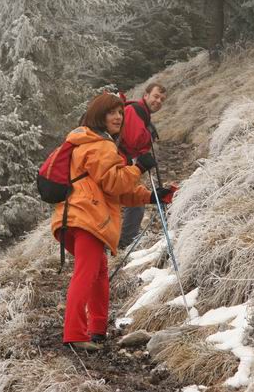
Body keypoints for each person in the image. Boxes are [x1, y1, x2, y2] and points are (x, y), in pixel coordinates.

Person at [51, 93, 172, 351]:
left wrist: (151, 196)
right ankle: (75, 333)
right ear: (99, 115)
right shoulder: (100, 144)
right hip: (87, 217)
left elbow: (114, 189)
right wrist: (139, 168)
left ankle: (97, 329)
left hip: (75, 216)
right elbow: (115, 182)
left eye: (120, 112)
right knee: (87, 274)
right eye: (111, 113)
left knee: (97, 273)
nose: (118, 117)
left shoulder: (89, 142)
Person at [118, 82, 168, 249]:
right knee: (133, 201)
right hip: (117, 161)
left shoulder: (142, 113)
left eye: (162, 99)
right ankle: (125, 242)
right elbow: (135, 140)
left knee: (134, 201)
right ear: (145, 95)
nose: (158, 101)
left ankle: (124, 241)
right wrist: (149, 136)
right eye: (155, 96)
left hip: (123, 160)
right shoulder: (135, 111)